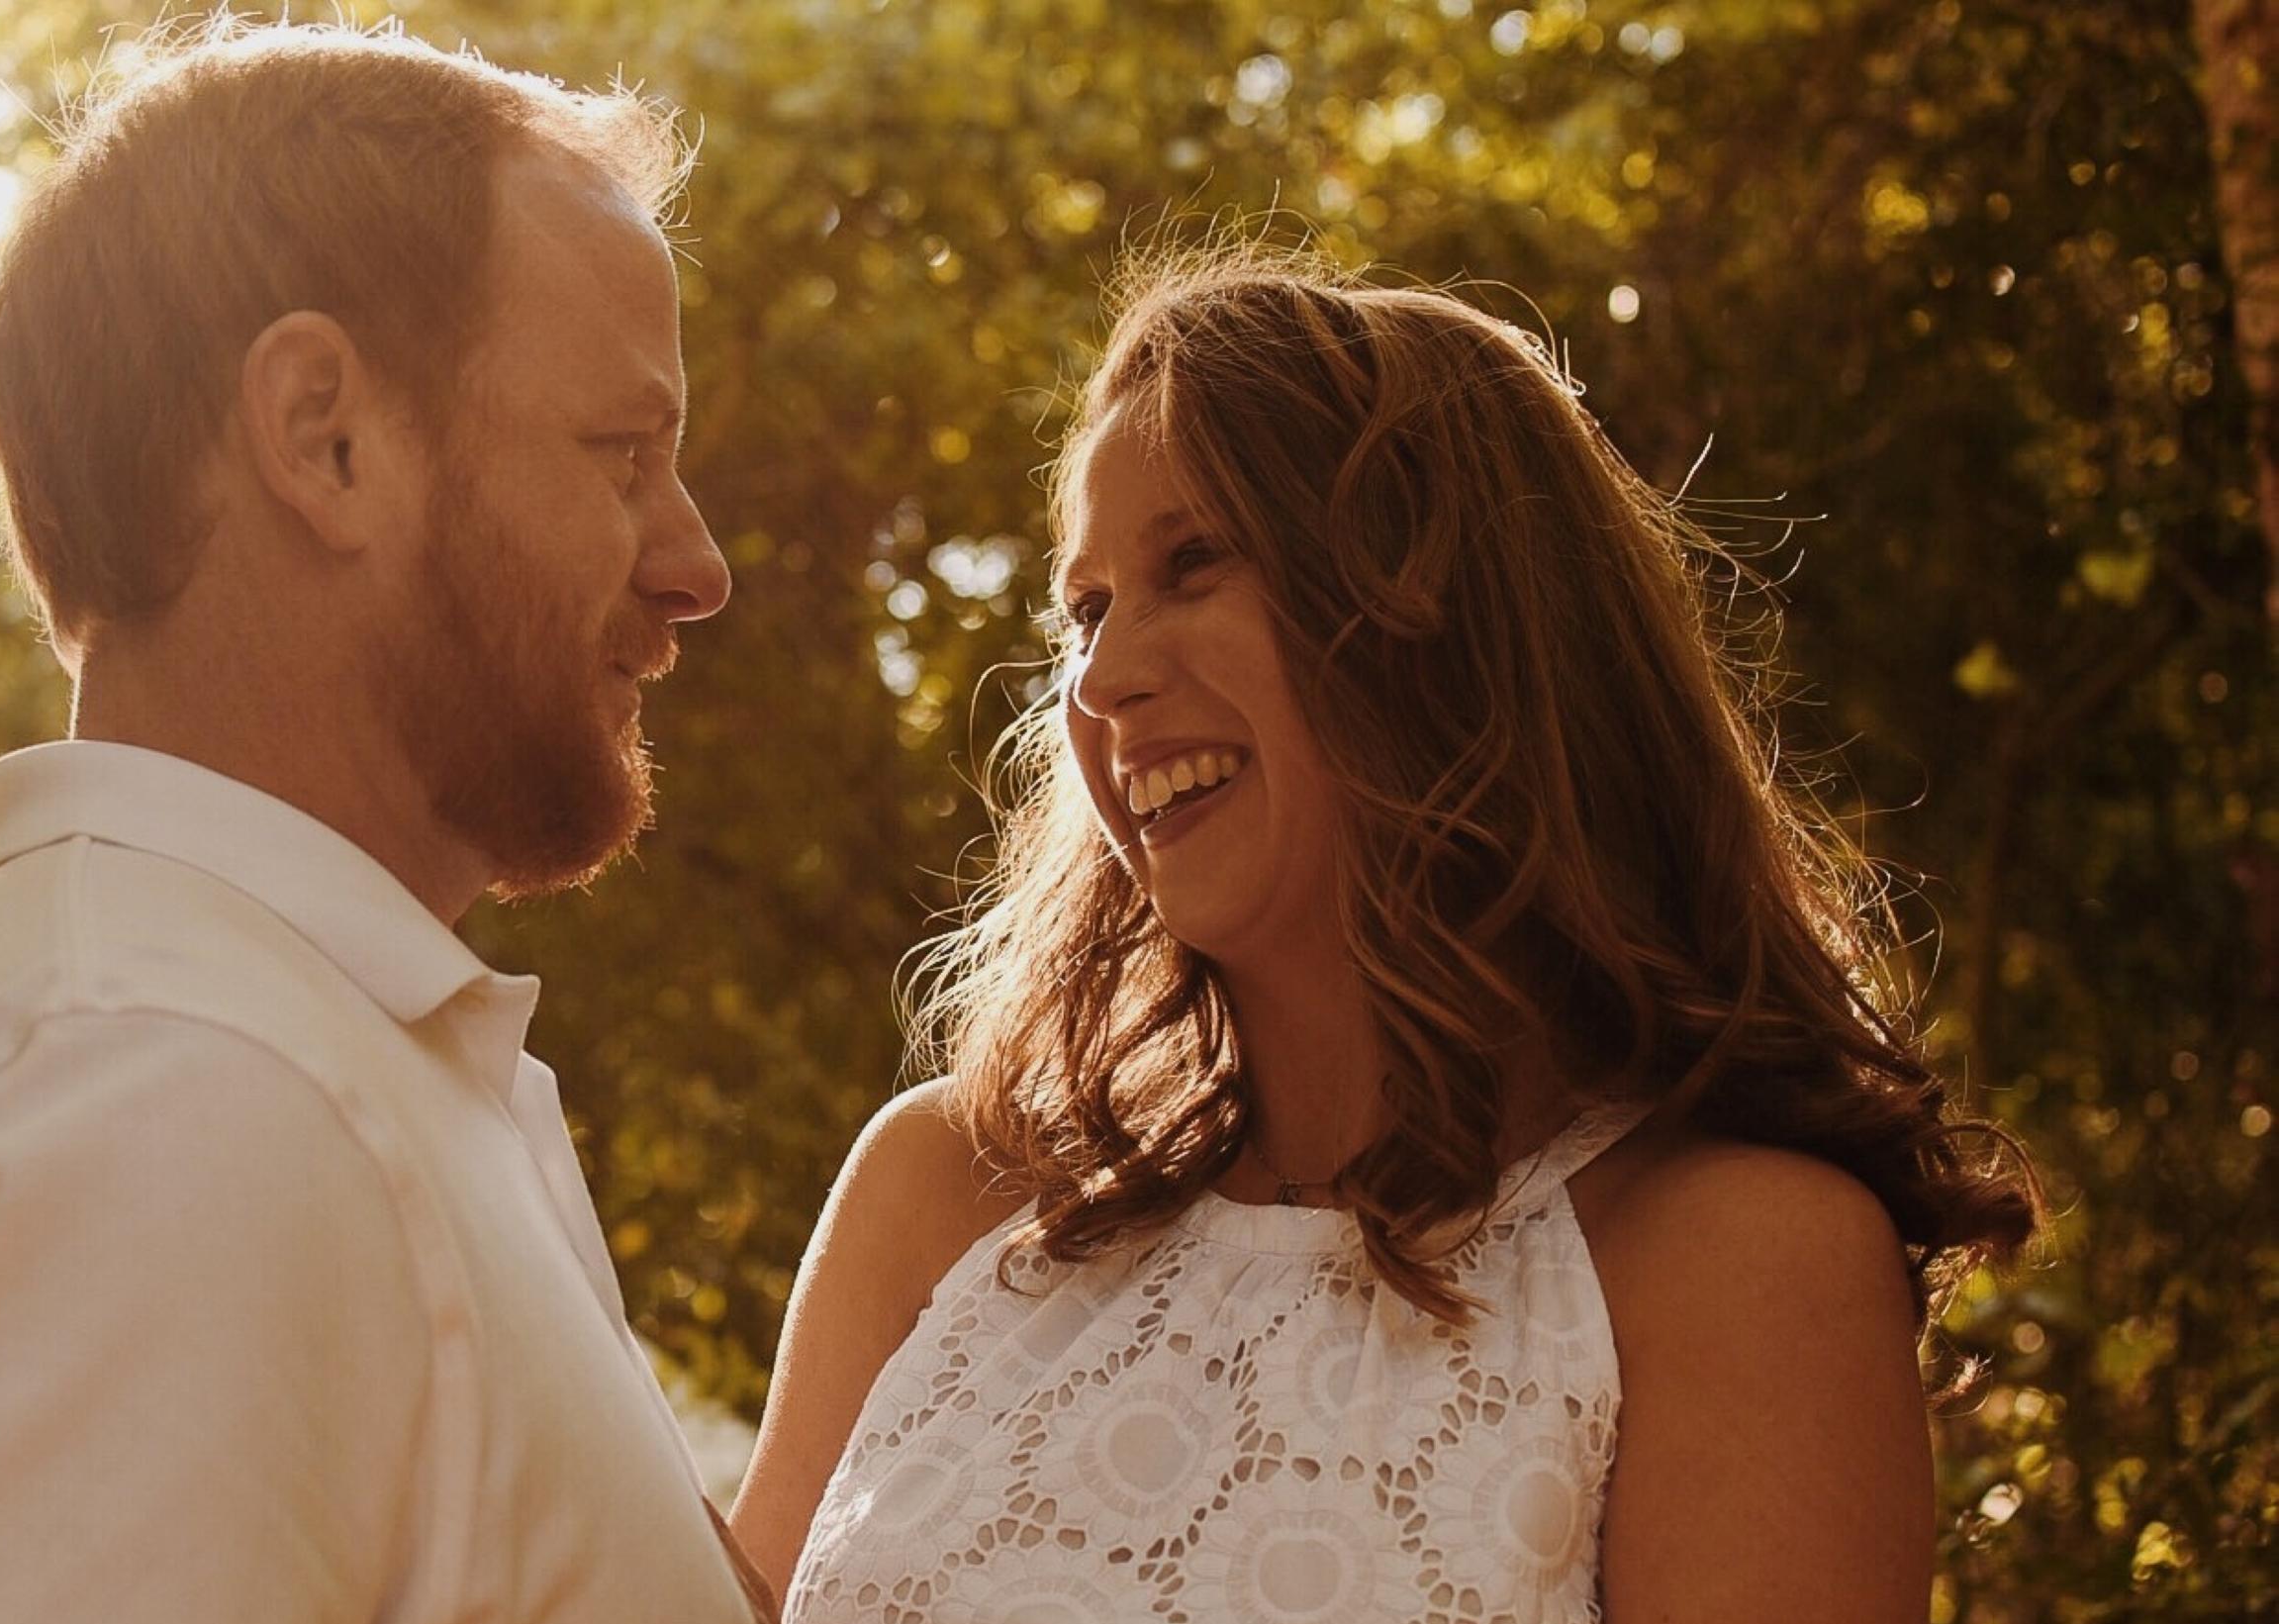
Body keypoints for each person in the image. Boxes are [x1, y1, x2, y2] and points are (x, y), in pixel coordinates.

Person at [730, 246, 2041, 1622]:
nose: (1102, 679)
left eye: (1194, 562)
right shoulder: (947, 1191)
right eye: (1089, 610)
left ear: (1449, 621)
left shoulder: (1738, 1263)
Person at [0, 20, 768, 1622]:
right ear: (322, 436)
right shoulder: (150, 1100)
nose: (698, 568)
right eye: (622, 453)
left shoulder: (262, 1049)